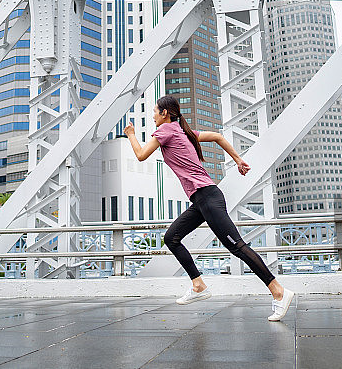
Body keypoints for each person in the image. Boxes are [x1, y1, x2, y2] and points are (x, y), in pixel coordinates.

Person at [123, 95, 293, 322]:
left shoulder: (165, 131)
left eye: (155, 111)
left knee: (237, 246)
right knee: (172, 238)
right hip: (202, 199)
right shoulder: (184, 132)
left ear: (165, 113)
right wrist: (238, 159)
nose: (153, 115)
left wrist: (131, 134)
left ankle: (278, 291)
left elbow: (141, 155)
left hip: (207, 198)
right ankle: (198, 285)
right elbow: (218, 137)